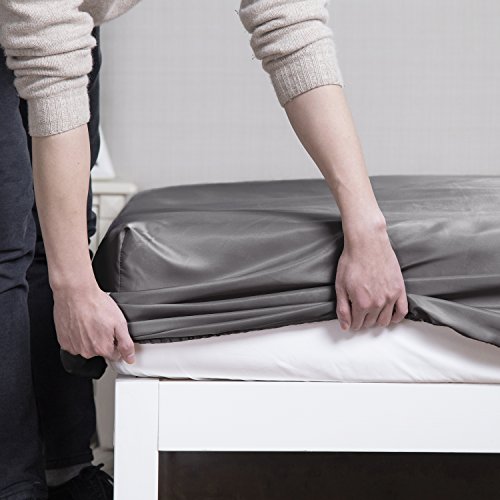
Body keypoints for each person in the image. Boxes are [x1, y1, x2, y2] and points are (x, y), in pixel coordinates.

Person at [0, 0, 408, 498]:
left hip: (63, 20)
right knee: (8, 244)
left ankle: (65, 471)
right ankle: (13, 484)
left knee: (59, 236)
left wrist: (366, 225)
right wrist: (74, 287)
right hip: (41, 20)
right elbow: (49, 62)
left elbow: (290, 22)